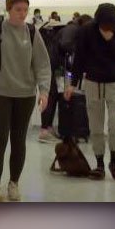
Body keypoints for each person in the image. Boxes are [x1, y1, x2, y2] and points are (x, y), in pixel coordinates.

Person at [0, 0, 51, 202]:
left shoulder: (33, 33)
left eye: (25, 10)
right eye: (18, 10)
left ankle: (14, 183)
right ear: (9, 9)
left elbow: (43, 65)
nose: (22, 14)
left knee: (19, 140)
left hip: (25, 94)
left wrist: (44, 91)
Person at [65, 3, 115, 181]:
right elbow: (79, 58)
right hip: (93, 82)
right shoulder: (87, 30)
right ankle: (99, 162)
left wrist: (110, 40)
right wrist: (72, 83)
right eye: (103, 24)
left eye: (110, 24)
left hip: (114, 82)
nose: (106, 28)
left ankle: (114, 161)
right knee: (95, 125)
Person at [38, 14, 92, 142]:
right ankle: (44, 130)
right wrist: (79, 53)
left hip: (51, 63)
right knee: (50, 96)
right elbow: (65, 44)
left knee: (54, 95)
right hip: (49, 64)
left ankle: (48, 127)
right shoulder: (73, 29)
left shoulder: (72, 29)